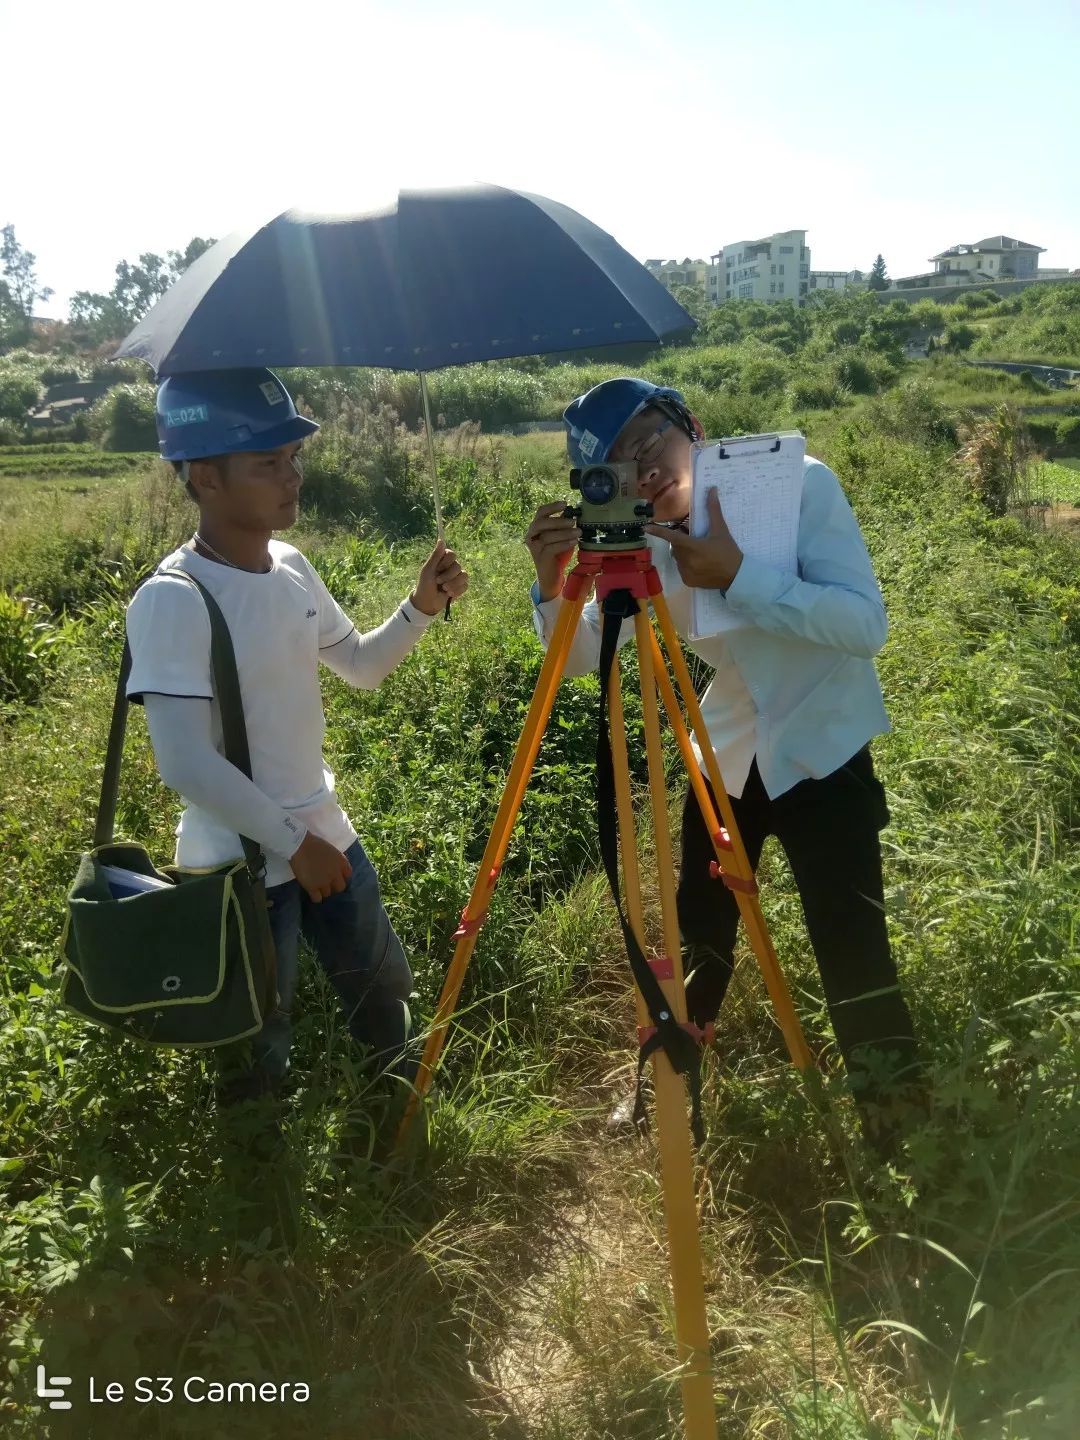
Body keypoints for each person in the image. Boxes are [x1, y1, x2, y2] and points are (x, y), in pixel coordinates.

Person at [524, 377, 922, 1148]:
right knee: (699, 932)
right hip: (729, 756)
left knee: (853, 952)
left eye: (649, 443)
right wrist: (552, 585)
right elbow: (578, 660)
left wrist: (741, 576)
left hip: (825, 753)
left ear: (690, 425)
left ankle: (901, 1134)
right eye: (618, 467)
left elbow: (864, 624)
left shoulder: (800, 486)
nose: (645, 473)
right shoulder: (638, 539)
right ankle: (676, 1080)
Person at [126, 367, 468, 1118]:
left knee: (381, 993)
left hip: (324, 830)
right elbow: (183, 761)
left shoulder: (291, 567)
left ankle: (395, 1126)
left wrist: (420, 605)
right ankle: (263, 1184)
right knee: (257, 1037)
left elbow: (363, 666)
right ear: (205, 477)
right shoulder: (174, 599)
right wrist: (291, 844)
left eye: (293, 458)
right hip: (237, 864)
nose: (292, 478)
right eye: (268, 463)